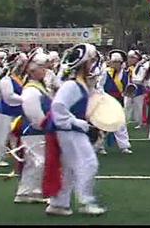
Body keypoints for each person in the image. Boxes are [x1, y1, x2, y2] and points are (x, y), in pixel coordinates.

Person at [43, 43, 106, 216]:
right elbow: (57, 106)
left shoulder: (80, 84)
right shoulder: (72, 85)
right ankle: (85, 201)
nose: (93, 65)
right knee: (89, 162)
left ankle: (58, 204)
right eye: (91, 61)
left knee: (70, 167)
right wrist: (77, 123)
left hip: (70, 130)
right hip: (69, 130)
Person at [14, 49, 51, 204]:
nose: (45, 71)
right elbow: (34, 114)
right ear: (33, 71)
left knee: (37, 160)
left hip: (38, 130)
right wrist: (45, 125)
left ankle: (31, 191)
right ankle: (28, 192)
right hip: (34, 131)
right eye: (42, 68)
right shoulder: (31, 90)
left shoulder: (38, 87)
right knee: (37, 160)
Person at [0, 52, 28, 166]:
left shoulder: (17, 78)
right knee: (1, 134)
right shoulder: (6, 79)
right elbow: (9, 96)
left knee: (13, 134)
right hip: (4, 110)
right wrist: (26, 99)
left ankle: (15, 153)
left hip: (15, 110)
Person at [95, 49, 132, 155]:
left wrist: (128, 92)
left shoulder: (125, 73)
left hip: (119, 100)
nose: (115, 64)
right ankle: (99, 146)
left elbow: (128, 85)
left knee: (120, 124)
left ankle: (124, 146)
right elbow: (99, 86)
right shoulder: (105, 72)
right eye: (113, 62)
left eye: (118, 62)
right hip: (106, 100)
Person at [124, 50, 148, 129]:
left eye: (132, 58)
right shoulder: (128, 67)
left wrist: (133, 80)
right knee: (127, 105)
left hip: (139, 89)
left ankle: (141, 122)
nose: (129, 59)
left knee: (139, 106)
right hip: (129, 89)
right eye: (129, 57)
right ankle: (125, 121)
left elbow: (140, 79)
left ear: (137, 59)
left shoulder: (141, 67)